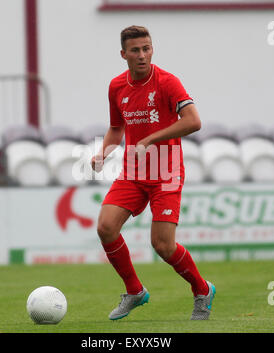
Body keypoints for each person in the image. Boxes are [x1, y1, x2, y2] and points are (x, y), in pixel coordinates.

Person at [91, 25, 215, 321]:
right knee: (105, 227)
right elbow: (116, 127)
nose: (142, 55)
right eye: (135, 50)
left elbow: (194, 121)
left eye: (146, 48)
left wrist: (151, 138)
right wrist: (104, 151)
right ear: (124, 54)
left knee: (162, 245)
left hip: (166, 169)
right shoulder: (116, 87)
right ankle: (134, 291)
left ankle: (202, 289)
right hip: (134, 169)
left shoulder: (168, 82)